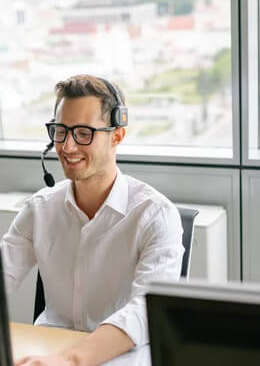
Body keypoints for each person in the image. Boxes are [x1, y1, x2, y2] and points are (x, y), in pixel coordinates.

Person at [0, 75, 184, 366]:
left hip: (122, 356)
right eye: (60, 131)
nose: (68, 146)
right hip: (48, 351)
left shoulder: (155, 215)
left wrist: (70, 360)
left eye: (83, 132)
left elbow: (145, 311)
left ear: (117, 135)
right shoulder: (40, 209)